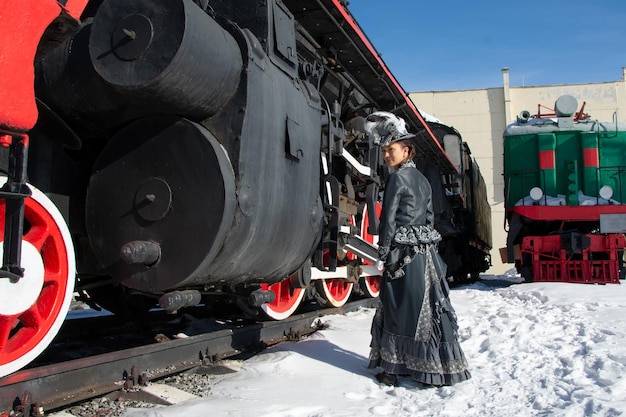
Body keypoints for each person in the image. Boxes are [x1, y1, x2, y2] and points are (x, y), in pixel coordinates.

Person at [364, 111, 471, 387]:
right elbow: (430, 218)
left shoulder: (396, 180)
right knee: (425, 309)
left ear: (407, 151)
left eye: (392, 150)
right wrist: (426, 246)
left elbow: (388, 220)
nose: (387, 155)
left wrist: (384, 254)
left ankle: (392, 369)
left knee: (396, 308)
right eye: (385, 150)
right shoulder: (423, 180)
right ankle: (431, 365)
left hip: (401, 253)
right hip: (425, 254)